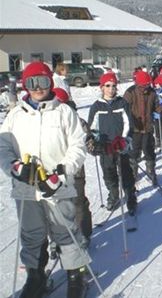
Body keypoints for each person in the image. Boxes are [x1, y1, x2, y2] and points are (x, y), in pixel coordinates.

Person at [0, 62, 90, 298]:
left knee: (66, 232)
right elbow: (3, 146)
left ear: (51, 82)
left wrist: (61, 174)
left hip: (56, 186)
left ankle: (76, 276)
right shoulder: (16, 115)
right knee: (31, 234)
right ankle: (35, 276)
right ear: (25, 85)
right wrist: (14, 167)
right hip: (26, 187)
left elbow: (78, 146)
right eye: (32, 83)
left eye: (43, 82)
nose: (38, 88)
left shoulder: (63, 112)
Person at [87, 72, 137, 213]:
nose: (111, 89)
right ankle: (114, 195)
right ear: (101, 87)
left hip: (120, 145)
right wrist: (94, 142)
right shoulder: (96, 107)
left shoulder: (122, 103)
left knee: (126, 174)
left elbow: (129, 124)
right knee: (109, 174)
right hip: (106, 148)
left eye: (114, 86)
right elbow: (92, 128)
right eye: (108, 86)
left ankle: (130, 197)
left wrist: (125, 139)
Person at [53, 88, 93, 244]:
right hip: (52, 172)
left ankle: (83, 233)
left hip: (75, 171)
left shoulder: (77, 120)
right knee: (55, 205)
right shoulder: (44, 120)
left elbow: (88, 141)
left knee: (77, 202)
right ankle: (56, 240)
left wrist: (96, 145)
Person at [123, 70, 161, 185]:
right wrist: (129, 121)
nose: (146, 87)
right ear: (138, 84)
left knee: (149, 150)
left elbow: (157, 106)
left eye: (148, 85)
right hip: (134, 128)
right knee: (134, 152)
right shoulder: (130, 92)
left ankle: (151, 170)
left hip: (148, 127)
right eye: (144, 85)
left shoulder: (152, 92)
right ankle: (133, 173)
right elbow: (124, 109)